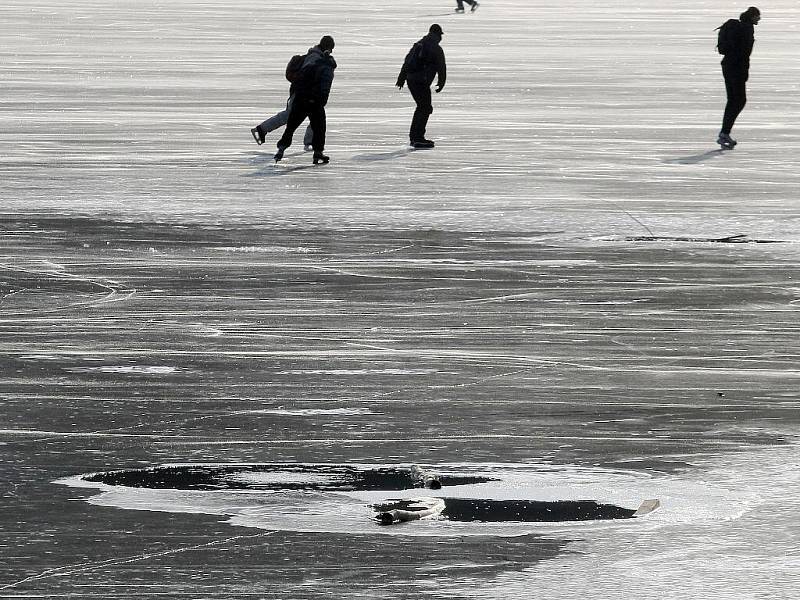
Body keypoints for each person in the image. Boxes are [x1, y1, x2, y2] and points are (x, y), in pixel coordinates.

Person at [274, 35, 337, 164]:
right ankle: (317, 152)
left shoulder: (311, 57)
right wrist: (320, 99)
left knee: (292, 125)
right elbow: (324, 86)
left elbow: (301, 78)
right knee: (319, 126)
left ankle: (281, 149)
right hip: (313, 100)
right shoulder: (323, 63)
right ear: (329, 48)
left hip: (302, 98)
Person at [396, 24, 447, 149]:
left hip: (411, 79)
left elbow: (407, 60)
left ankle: (415, 137)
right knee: (425, 108)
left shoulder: (419, 43)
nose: (441, 37)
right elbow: (441, 67)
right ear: (437, 35)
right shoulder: (435, 48)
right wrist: (441, 82)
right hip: (421, 81)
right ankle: (417, 138)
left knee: (422, 107)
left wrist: (402, 77)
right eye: (440, 34)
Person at [716, 6, 761, 149]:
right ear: (752, 17)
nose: (759, 19)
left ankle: (724, 133)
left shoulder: (742, 27)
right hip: (736, 69)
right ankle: (724, 132)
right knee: (739, 100)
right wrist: (742, 70)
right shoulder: (747, 29)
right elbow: (743, 52)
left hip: (728, 66)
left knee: (733, 100)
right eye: (757, 16)